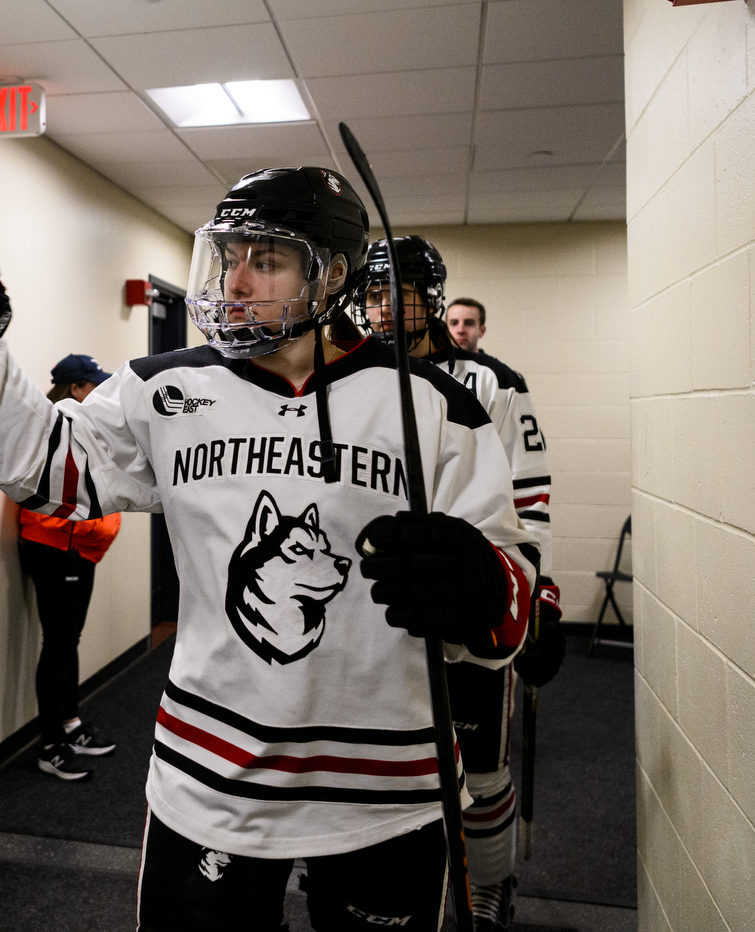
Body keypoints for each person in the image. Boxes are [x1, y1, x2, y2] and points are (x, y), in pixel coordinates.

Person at [0, 177, 537, 930]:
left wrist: (487, 590)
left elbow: (514, 594)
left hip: (389, 787)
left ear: (332, 275)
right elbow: (42, 464)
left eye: (265, 260)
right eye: (230, 255)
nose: (234, 280)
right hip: (212, 776)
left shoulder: (435, 406)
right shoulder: (165, 387)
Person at [352, 237, 564, 931]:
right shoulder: (347, 378)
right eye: (375, 292)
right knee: (383, 767)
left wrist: (538, 603)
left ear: (432, 296)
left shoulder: (492, 382)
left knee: (480, 771)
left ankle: (490, 886)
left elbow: (529, 505)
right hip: (379, 615)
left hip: (467, 612)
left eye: (400, 291)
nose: (385, 307)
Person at [19, 353, 123, 781]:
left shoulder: (84, 427)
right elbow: (51, 494)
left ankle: (70, 723)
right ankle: (50, 745)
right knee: (59, 642)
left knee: (68, 640)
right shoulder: (49, 431)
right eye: (93, 383)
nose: (99, 390)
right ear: (76, 388)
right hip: (56, 546)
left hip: (80, 547)